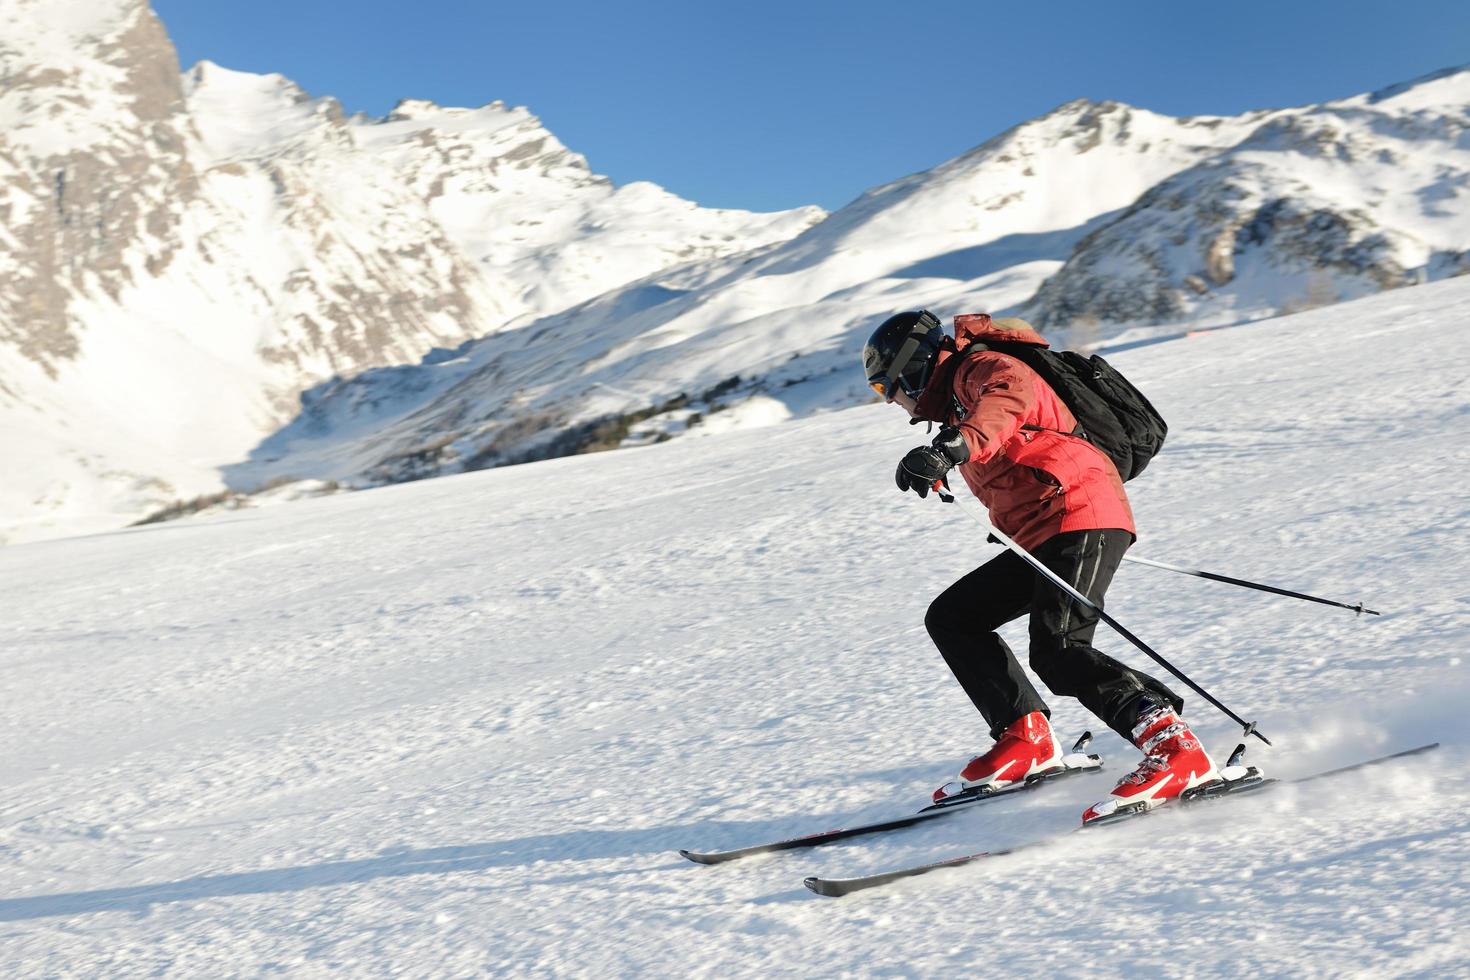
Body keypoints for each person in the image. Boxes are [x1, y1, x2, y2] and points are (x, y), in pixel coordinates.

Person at [862, 309, 1219, 823]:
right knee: (954, 617)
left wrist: (953, 448)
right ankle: (1023, 738)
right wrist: (950, 450)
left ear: (911, 366)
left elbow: (1005, 403)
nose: (893, 402)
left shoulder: (982, 368)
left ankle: (1175, 750)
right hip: (1042, 535)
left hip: (1081, 514)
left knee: (1059, 649)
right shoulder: (958, 403)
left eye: (886, 388)